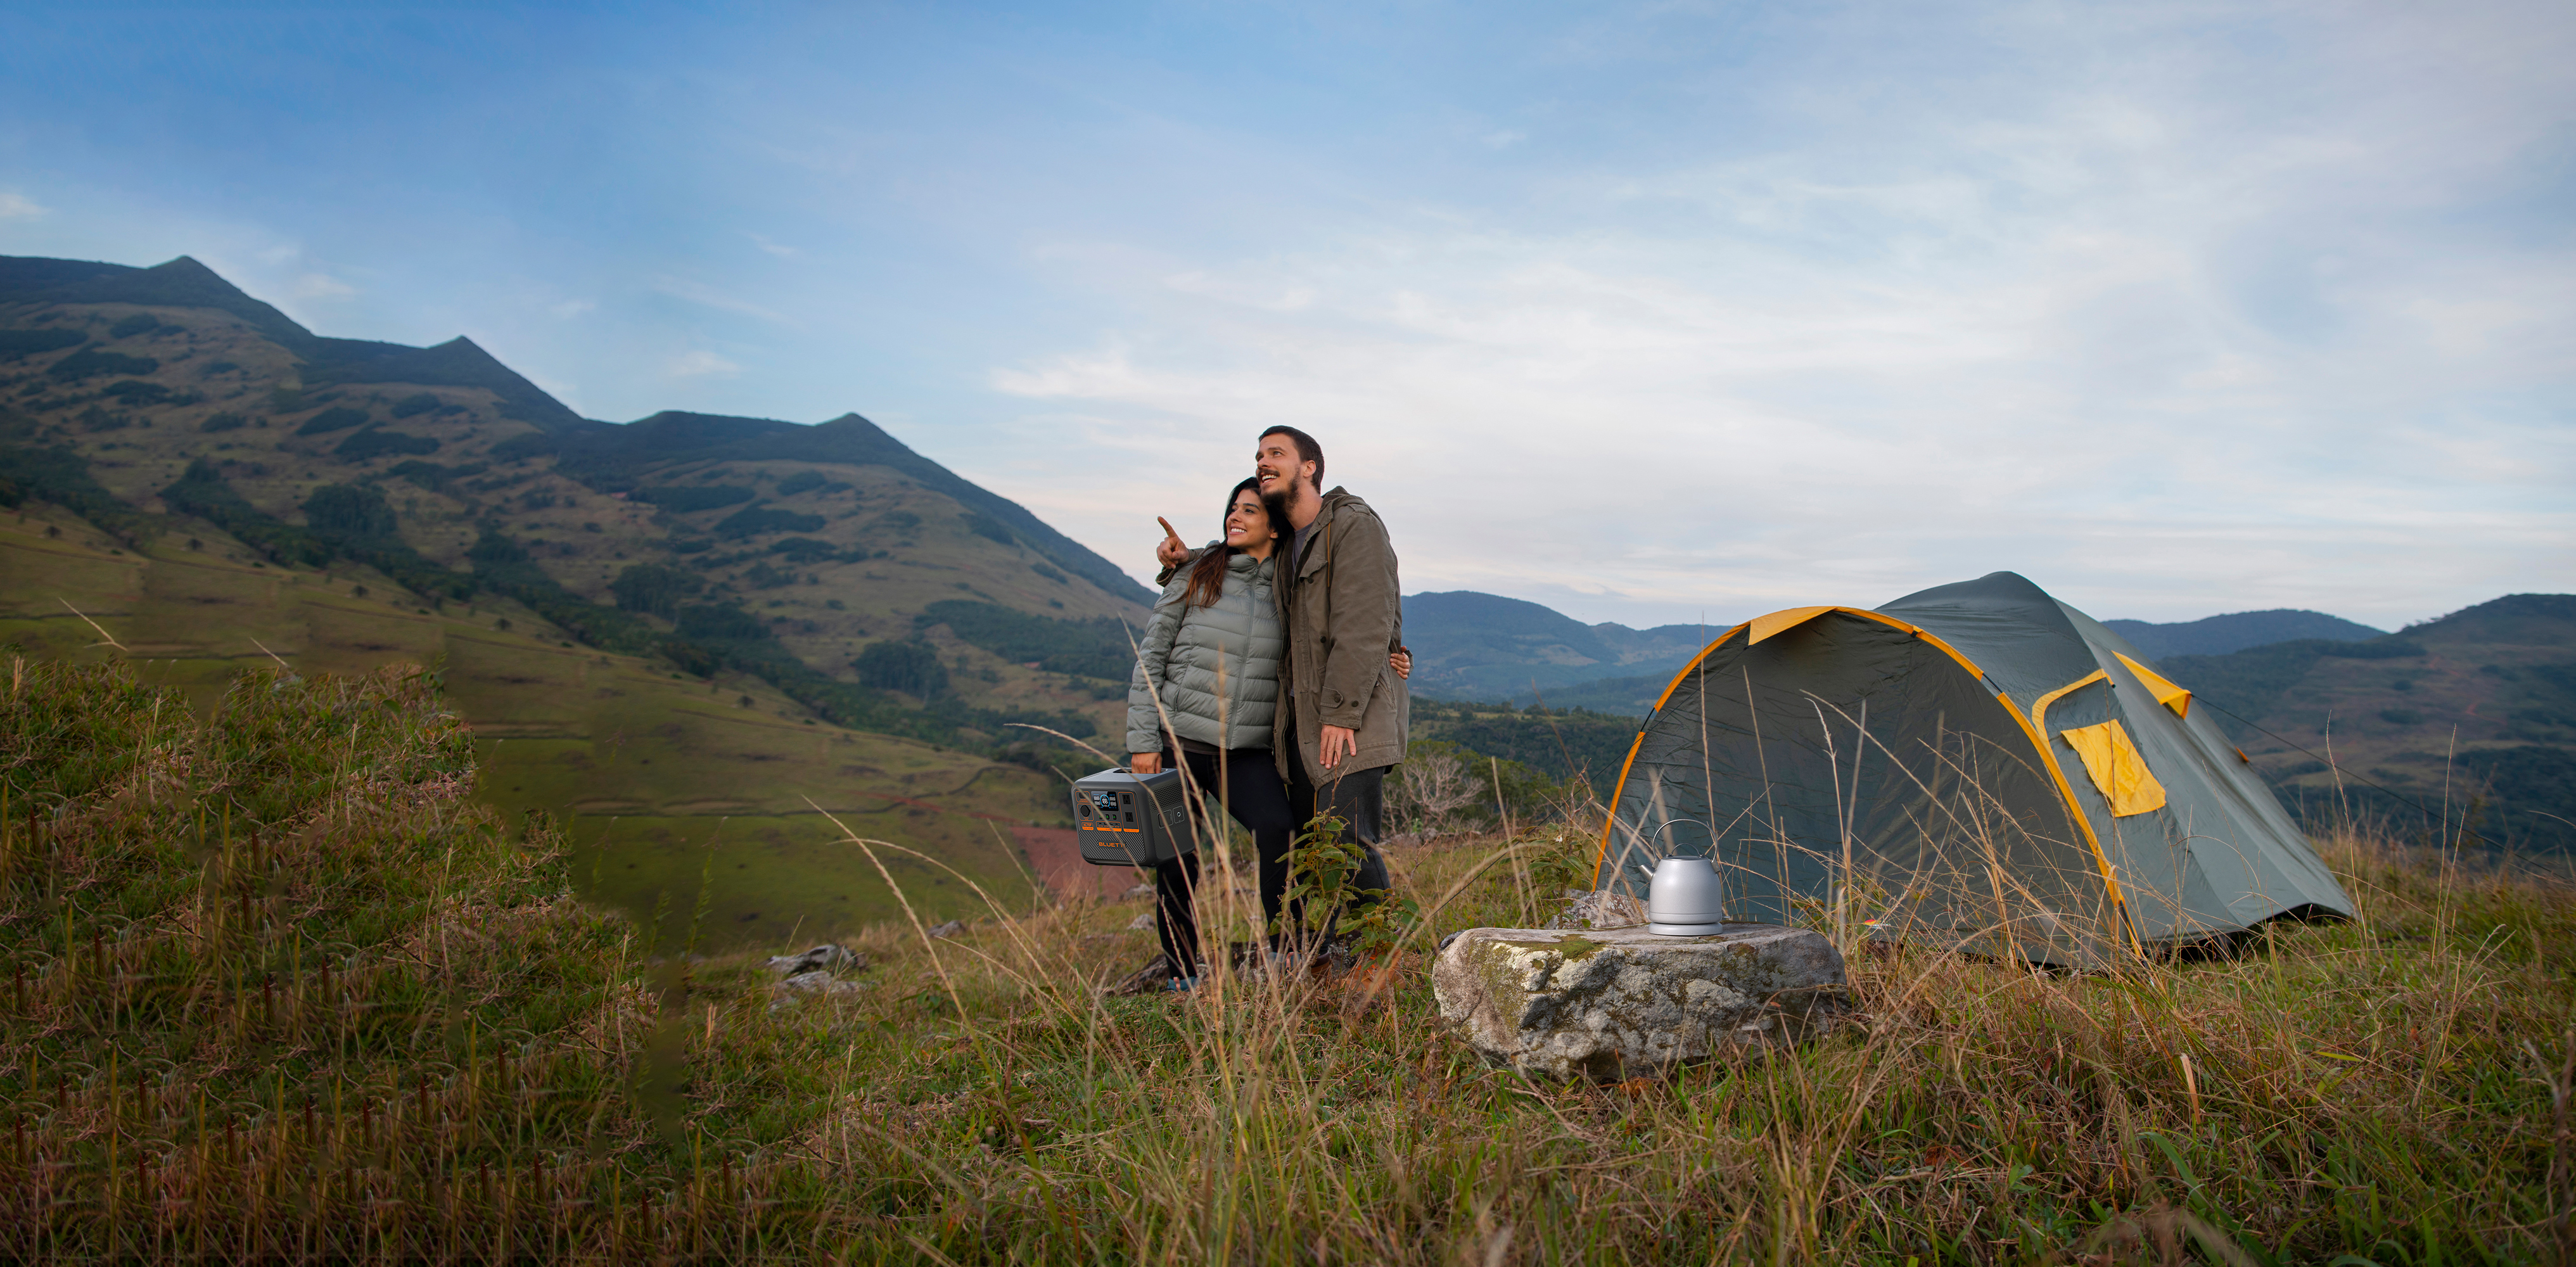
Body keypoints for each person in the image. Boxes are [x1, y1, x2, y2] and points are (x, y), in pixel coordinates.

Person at [1128, 478, 1411, 990]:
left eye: (1250, 511)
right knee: (1179, 860)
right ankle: (1184, 976)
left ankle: (1288, 951)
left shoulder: (1289, 585)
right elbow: (1150, 660)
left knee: (1281, 835)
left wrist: (1392, 652)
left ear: (1275, 528)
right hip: (1179, 743)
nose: (1236, 517)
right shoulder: (1195, 572)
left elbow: (1340, 620)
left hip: (1245, 751)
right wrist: (1143, 742)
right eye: (1232, 509)